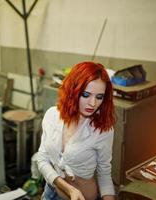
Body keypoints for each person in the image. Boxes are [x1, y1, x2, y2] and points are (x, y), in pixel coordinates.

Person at [37, 61, 116, 200]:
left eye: (99, 97)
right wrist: (69, 189)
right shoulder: (51, 115)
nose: (93, 103)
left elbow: (104, 173)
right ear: (73, 91)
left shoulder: (102, 129)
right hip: (50, 193)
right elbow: (42, 159)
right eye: (86, 95)